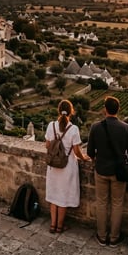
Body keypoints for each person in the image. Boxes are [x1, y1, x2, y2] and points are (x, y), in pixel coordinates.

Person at [87, 96, 128, 247]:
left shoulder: (96, 127)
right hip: (118, 172)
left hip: (101, 170)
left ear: (105, 109)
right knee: (117, 204)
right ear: (118, 109)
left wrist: (96, 160)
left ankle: (102, 236)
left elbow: (90, 152)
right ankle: (114, 238)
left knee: (101, 203)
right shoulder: (126, 128)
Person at [45, 99, 89, 233]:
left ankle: (52, 225)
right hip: (67, 167)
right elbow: (76, 151)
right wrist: (84, 157)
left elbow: (47, 145)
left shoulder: (51, 125)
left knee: (54, 195)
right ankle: (59, 226)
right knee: (63, 197)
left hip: (53, 165)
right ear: (71, 112)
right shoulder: (73, 129)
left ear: (58, 110)